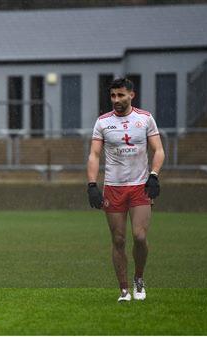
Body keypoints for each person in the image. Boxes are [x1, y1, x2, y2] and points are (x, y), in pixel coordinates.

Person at [86, 78, 165, 302]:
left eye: (121, 95)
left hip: (140, 186)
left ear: (132, 95)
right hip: (114, 188)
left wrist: (154, 175)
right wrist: (92, 185)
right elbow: (94, 155)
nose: (116, 100)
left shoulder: (145, 118)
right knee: (118, 240)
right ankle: (123, 290)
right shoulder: (102, 123)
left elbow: (158, 150)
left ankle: (138, 278)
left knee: (139, 237)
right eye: (113, 96)